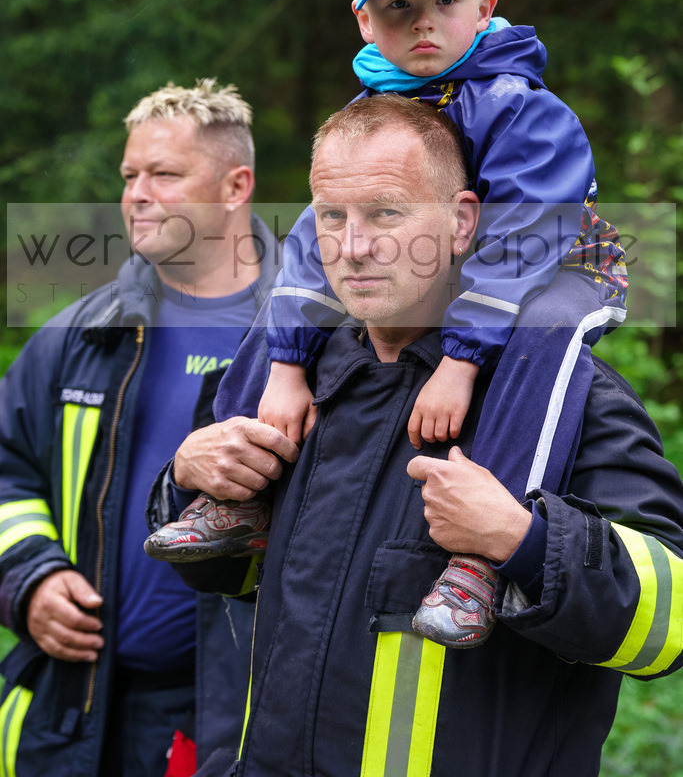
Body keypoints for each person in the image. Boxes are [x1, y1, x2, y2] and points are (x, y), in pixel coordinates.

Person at [148, 96, 683, 777]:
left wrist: (526, 544)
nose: (352, 248)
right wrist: (186, 481)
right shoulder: (296, 387)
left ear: (462, 222)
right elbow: (230, 574)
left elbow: (669, 623)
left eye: (386, 214)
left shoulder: (572, 399)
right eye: (331, 218)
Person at [148, 0, 628, 648]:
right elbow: (316, 237)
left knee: (546, 327)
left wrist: (461, 364)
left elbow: (522, 238)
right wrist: (284, 368)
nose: (423, 22)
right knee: (284, 294)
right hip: (432, 280)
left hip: (547, 268)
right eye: (398, 6)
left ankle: (480, 556)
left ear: (485, 5)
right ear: (364, 20)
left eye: (445, 0)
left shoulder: (519, 108)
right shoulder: (373, 105)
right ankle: (233, 493)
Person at [0, 79, 281, 777]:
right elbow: (6, 466)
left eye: (164, 174)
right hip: (76, 709)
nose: (137, 193)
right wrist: (29, 578)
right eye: (130, 174)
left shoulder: (310, 340)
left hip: (242, 721)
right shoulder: (82, 334)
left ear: (235, 185)